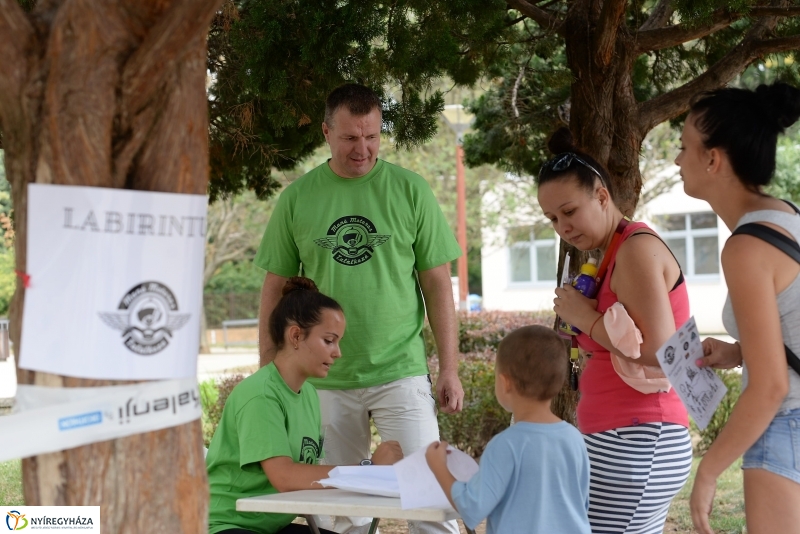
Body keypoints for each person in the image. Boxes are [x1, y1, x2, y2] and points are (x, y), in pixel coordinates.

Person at [254, 83, 463, 534]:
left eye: (371, 136)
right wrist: (267, 363)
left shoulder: (411, 190)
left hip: (401, 370)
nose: (362, 148)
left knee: (431, 505)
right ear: (327, 133)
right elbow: (274, 287)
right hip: (324, 379)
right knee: (338, 515)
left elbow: (437, 284)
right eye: (350, 138)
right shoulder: (297, 198)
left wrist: (449, 367)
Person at [538, 128, 693, 534]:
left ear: (602, 196)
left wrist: (585, 318)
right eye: (553, 218)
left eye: (569, 212)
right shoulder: (609, 254)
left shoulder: (636, 249)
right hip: (621, 437)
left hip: (640, 437)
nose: (563, 227)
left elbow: (663, 351)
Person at [675, 82, 800, 534]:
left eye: (683, 146)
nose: (676, 159)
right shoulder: (787, 217)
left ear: (713, 159)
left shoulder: (746, 247)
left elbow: (770, 387)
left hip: (787, 424)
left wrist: (707, 473)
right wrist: (740, 350)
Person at [206, 277, 403, 534]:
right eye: (329, 340)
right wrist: (369, 472)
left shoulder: (308, 394)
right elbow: (285, 477)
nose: (337, 352)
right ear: (296, 336)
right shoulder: (261, 395)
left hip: (270, 525)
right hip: (226, 525)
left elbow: (304, 476)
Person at [426, 325, 591, 534]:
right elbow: (581, 504)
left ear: (505, 383)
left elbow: (471, 508)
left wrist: (438, 466)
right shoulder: (575, 438)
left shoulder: (505, 445)